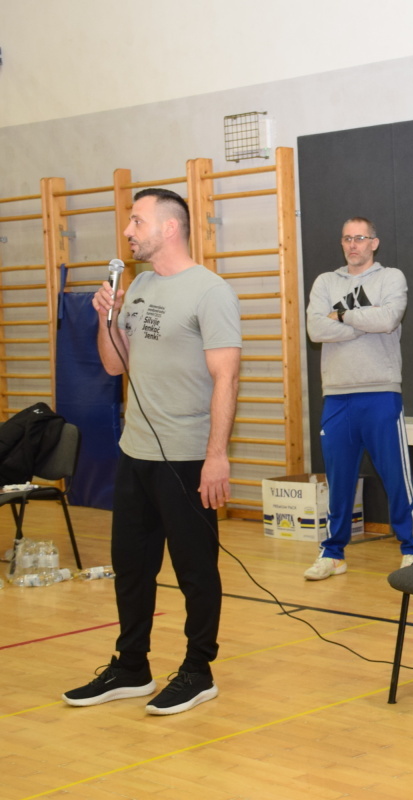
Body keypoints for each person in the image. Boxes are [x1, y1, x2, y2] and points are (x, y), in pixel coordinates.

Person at [64, 188, 241, 715]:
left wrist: (217, 455)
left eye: (137, 221)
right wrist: (105, 319)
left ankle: (198, 670)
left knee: (195, 570)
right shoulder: (138, 285)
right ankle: (131, 666)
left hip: (187, 456)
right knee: (132, 565)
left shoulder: (210, 291)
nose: (128, 231)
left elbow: (227, 377)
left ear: (169, 228)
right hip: (135, 451)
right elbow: (115, 364)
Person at [304, 217, 413, 580]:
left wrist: (340, 316)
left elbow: (388, 320)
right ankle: (333, 554)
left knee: (395, 477)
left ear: (374, 242)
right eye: (347, 239)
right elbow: (315, 328)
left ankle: (411, 549)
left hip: (381, 391)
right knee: (338, 480)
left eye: (360, 238)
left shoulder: (391, 278)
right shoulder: (326, 281)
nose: (353, 244)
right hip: (337, 396)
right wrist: (362, 323)